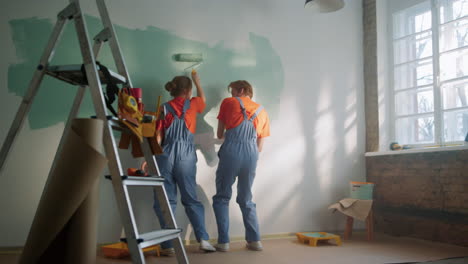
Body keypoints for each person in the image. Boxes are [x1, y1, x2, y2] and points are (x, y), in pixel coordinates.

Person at [153, 71, 215, 254]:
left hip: (165, 153)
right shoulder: (194, 103)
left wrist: (149, 159)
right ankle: (203, 240)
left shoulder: (163, 108)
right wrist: (197, 81)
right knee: (191, 199)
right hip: (186, 155)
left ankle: (168, 245)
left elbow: (158, 137)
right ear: (189, 91)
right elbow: (202, 98)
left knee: (165, 200)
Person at [212, 80, 270, 252]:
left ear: (241, 90)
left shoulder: (228, 103)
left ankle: (223, 242)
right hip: (251, 155)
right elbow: (260, 145)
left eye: (232, 91)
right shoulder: (262, 111)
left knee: (222, 197)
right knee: (246, 198)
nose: (231, 95)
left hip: (232, 151)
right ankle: (255, 241)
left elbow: (220, 134)